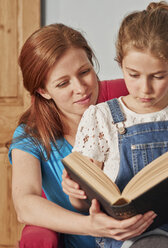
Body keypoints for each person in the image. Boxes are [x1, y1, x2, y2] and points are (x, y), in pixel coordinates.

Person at [62, 2, 168, 248]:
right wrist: (76, 193)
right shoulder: (100, 117)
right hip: (131, 234)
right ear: (120, 64)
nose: (144, 89)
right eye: (134, 75)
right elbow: (85, 201)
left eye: (158, 76)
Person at [7, 23, 157, 247]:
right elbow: (25, 205)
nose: (81, 88)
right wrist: (91, 226)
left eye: (85, 72)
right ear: (43, 91)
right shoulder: (31, 136)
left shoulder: (128, 114)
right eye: (63, 83)